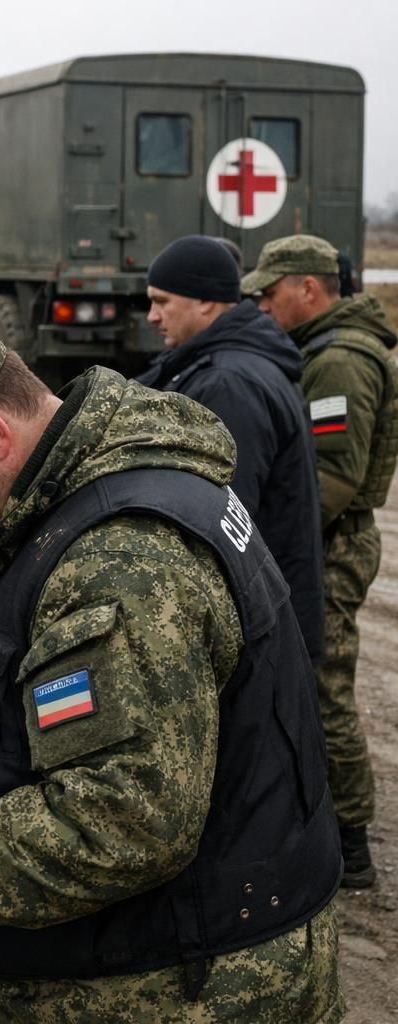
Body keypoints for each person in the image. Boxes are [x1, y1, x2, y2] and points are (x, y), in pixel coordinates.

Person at [0, 307, 342, 1022]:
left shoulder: (117, 558)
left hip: (174, 990)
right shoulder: (83, 502)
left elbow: (121, 820)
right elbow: (59, 703)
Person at [245, 232, 398, 889]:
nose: (262, 304)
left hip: (330, 543)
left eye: (270, 292)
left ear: (309, 288)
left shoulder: (339, 359)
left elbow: (333, 477)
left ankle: (351, 842)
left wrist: (276, 544)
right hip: (324, 539)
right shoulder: (323, 348)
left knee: (322, 683)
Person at [135, 233, 324, 661]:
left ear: (205, 302)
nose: (151, 316)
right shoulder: (223, 364)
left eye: (162, 301)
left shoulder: (229, 383)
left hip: (253, 628)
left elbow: (221, 521)